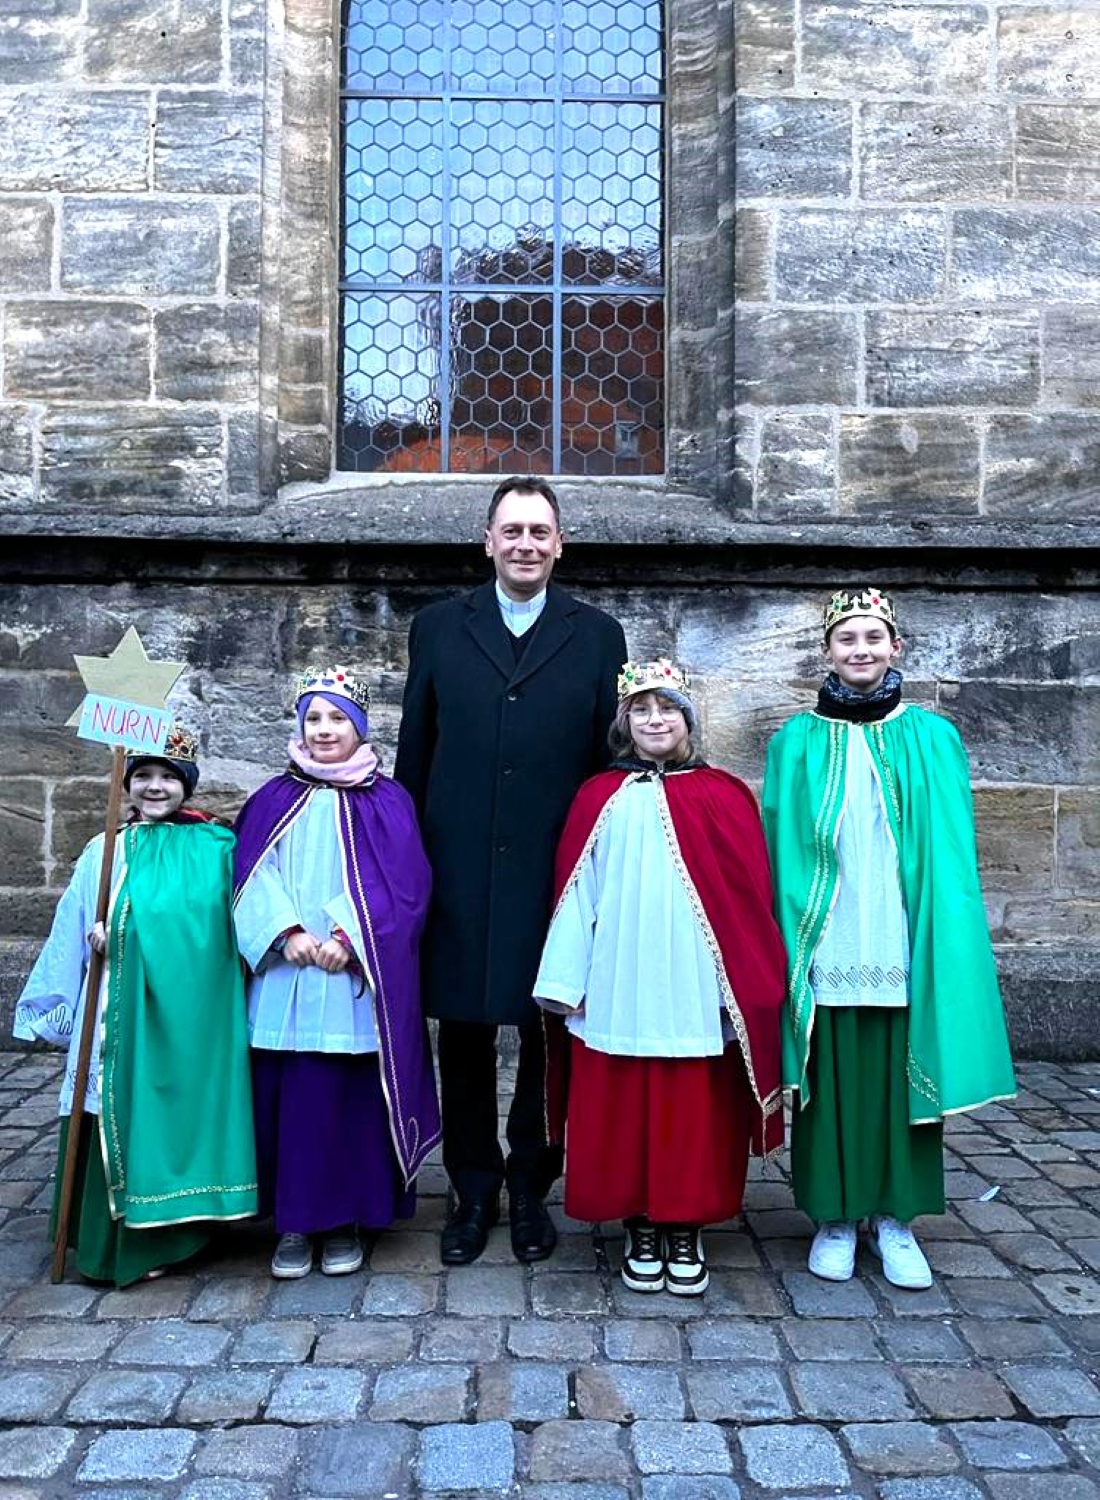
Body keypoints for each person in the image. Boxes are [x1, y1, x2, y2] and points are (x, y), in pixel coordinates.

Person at [395, 475, 627, 1266]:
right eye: (511, 531)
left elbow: (609, 758)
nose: (525, 544)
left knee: (545, 1027)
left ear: (559, 544)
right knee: (459, 1028)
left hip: (551, 862)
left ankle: (531, 1183)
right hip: (455, 859)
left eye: (539, 531)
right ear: (486, 541)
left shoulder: (596, 634)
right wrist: (407, 859)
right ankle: (471, 1187)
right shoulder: (437, 626)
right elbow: (414, 750)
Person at [762, 586, 1016, 1289]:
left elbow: (949, 851)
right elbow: (778, 845)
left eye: (872, 637)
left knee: (903, 1074)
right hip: (827, 932)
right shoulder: (796, 741)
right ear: (828, 652)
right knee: (832, 1074)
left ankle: (896, 1218)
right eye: (846, 639)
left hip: (902, 933)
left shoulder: (931, 737)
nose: (860, 650)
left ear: (894, 646)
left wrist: (943, 933)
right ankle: (834, 1217)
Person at [535, 659, 787, 1295]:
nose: (655, 719)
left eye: (668, 708)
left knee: (692, 1104)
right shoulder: (598, 796)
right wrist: (565, 980)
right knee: (624, 1102)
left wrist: (750, 985)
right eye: (642, 709)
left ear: (688, 720)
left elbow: (749, 900)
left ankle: (685, 1224)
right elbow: (576, 892)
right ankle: (639, 1220)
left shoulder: (726, 795)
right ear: (625, 722)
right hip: (618, 974)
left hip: (696, 981)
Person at [14, 726, 258, 1287]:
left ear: (186, 786)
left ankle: (176, 1236)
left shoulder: (214, 849)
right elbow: (70, 930)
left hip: (186, 1019)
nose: (154, 787)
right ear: (125, 784)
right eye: (143, 776)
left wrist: (125, 930)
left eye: (168, 776)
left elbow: (216, 930)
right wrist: (87, 952)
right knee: (108, 1108)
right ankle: (105, 1244)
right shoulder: (106, 850)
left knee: (178, 1118)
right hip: (112, 1012)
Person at [232, 668, 440, 1279]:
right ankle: (294, 1221)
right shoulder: (272, 798)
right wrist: (285, 932)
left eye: (338, 719)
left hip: (354, 981)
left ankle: (348, 1216)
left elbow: (406, 888)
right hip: (287, 978)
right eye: (314, 719)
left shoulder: (388, 799)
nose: (325, 731)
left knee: (348, 1102)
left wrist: (352, 937)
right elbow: (248, 873)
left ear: (360, 729)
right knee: (291, 1101)